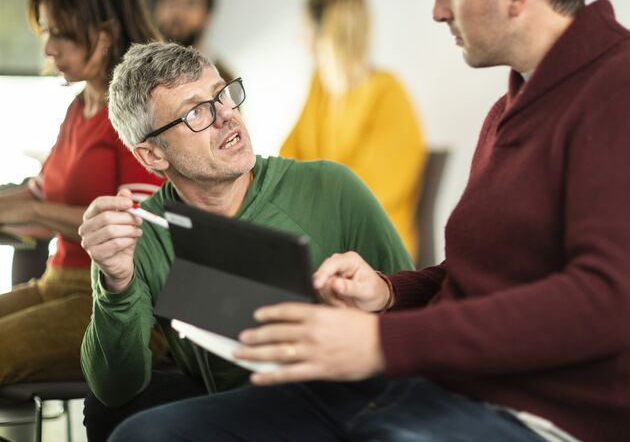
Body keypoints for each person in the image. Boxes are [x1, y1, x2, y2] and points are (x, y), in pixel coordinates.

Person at [107, 0, 630, 440]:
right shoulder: (514, 107)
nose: (436, 9)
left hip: (546, 416)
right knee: (145, 435)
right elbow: (482, 276)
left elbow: (606, 306)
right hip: (445, 386)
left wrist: (381, 341)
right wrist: (390, 293)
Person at [77, 41, 413, 442]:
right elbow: (116, 388)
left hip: (342, 401)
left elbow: (414, 317)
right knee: (112, 415)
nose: (226, 116)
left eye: (222, 94)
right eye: (196, 111)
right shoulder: (138, 236)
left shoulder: (332, 187)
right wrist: (115, 284)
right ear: (152, 156)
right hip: (234, 410)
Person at [0, 0, 165, 386]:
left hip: (112, 298)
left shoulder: (137, 114)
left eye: (61, 34)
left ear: (105, 35)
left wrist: (36, 217)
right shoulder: (81, 106)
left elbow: (137, 228)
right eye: (46, 32)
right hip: (57, 281)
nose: (48, 48)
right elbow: (38, 194)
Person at [280, 0, 425, 259]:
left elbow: (374, 193)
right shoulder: (319, 87)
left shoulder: (387, 92)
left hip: (373, 243)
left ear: (326, 32)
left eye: (304, 28)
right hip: (321, 232)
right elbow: (289, 158)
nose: (299, 39)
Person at [152, 0, 235, 81]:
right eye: (169, 0)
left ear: (207, 15)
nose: (178, 12)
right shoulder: (135, 71)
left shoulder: (222, 80)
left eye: (191, 3)